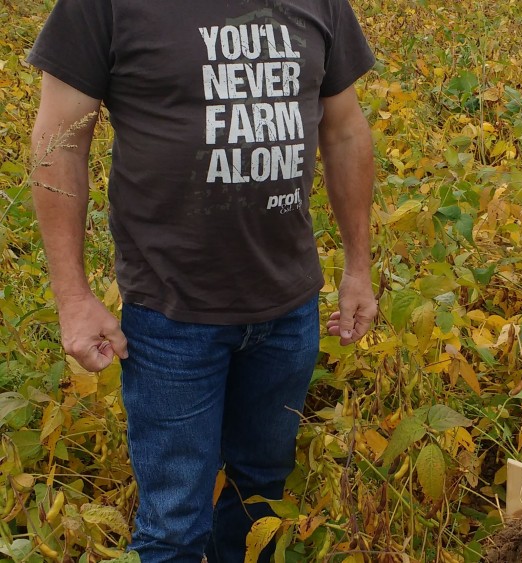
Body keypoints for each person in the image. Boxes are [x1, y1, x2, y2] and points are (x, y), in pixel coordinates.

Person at [28, 1, 377, 562]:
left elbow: (344, 131)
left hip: (288, 311)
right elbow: (58, 142)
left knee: (260, 493)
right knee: (174, 528)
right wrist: (73, 297)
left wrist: (358, 269)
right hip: (170, 316)